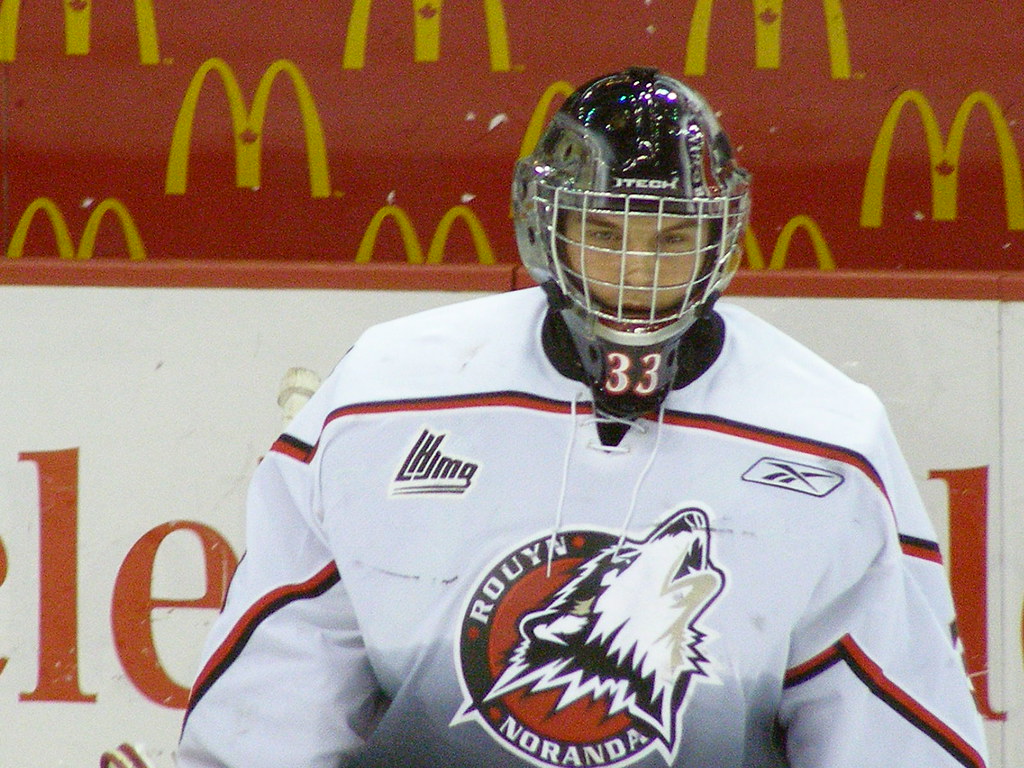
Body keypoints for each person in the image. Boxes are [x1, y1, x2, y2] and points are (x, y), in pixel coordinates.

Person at [176, 68, 988, 768]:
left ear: (721, 240)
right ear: (547, 221)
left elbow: (894, 736)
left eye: (672, 237)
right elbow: (269, 715)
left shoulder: (828, 442)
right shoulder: (385, 397)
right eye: (605, 232)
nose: (637, 271)